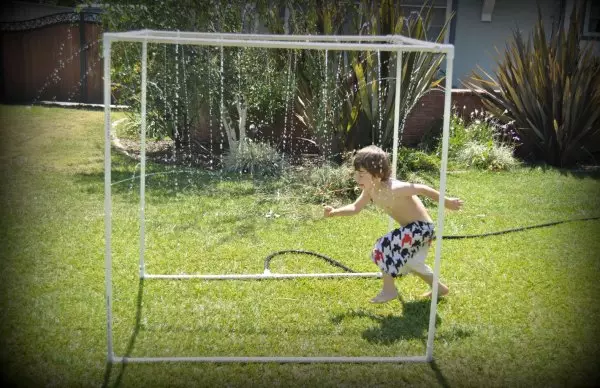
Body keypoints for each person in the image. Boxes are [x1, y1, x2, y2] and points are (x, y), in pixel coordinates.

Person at [323, 145, 463, 303]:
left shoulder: (393, 188)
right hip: (410, 230)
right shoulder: (370, 190)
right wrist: (334, 212)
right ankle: (439, 288)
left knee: (383, 246)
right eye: (356, 173)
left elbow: (422, 189)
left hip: (422, 228)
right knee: (412, 263)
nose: (357, 178)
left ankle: (389, 291)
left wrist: (447, 202)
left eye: (362, 174)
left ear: (378, 174)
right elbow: (355, 208)